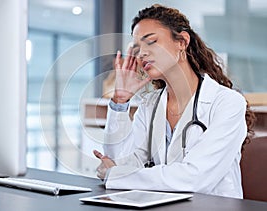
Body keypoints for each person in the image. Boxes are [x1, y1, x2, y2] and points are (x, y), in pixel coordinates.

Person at [93, 4, 255, 199]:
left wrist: (118, 175)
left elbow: (195, 178)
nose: (142, 53)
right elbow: (119, 163)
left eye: (151, 41)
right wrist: (120, 101)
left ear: (182, 42)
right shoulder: (150, 104)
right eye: (137, 48)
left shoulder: (228, 103)